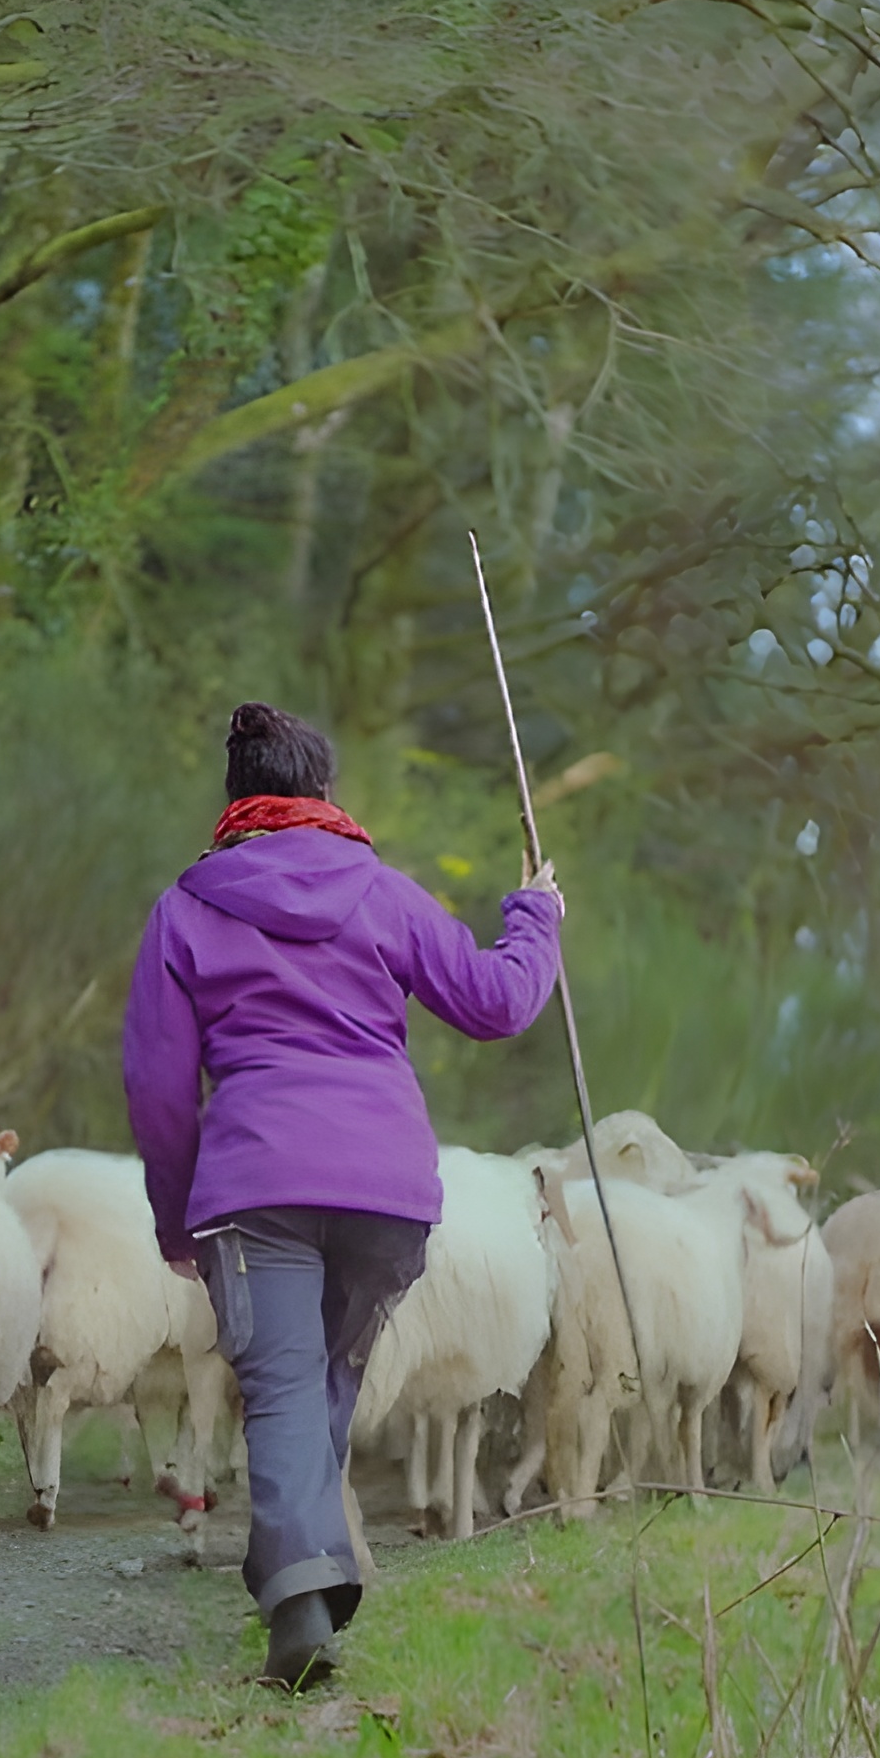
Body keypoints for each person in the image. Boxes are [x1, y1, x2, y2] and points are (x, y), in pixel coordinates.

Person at [120, 701, 561, 1690]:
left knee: (279, 1386)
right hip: (387, 1192)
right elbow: (497, 1001)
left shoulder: (187, 909)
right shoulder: (382, 891)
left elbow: (156, 1086)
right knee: (316, 1379)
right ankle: (298, 1564)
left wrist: (172, 1212)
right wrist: (534, 915)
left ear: (235, 800)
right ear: (321, 793)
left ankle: (300, 1592)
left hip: (255, 1182)